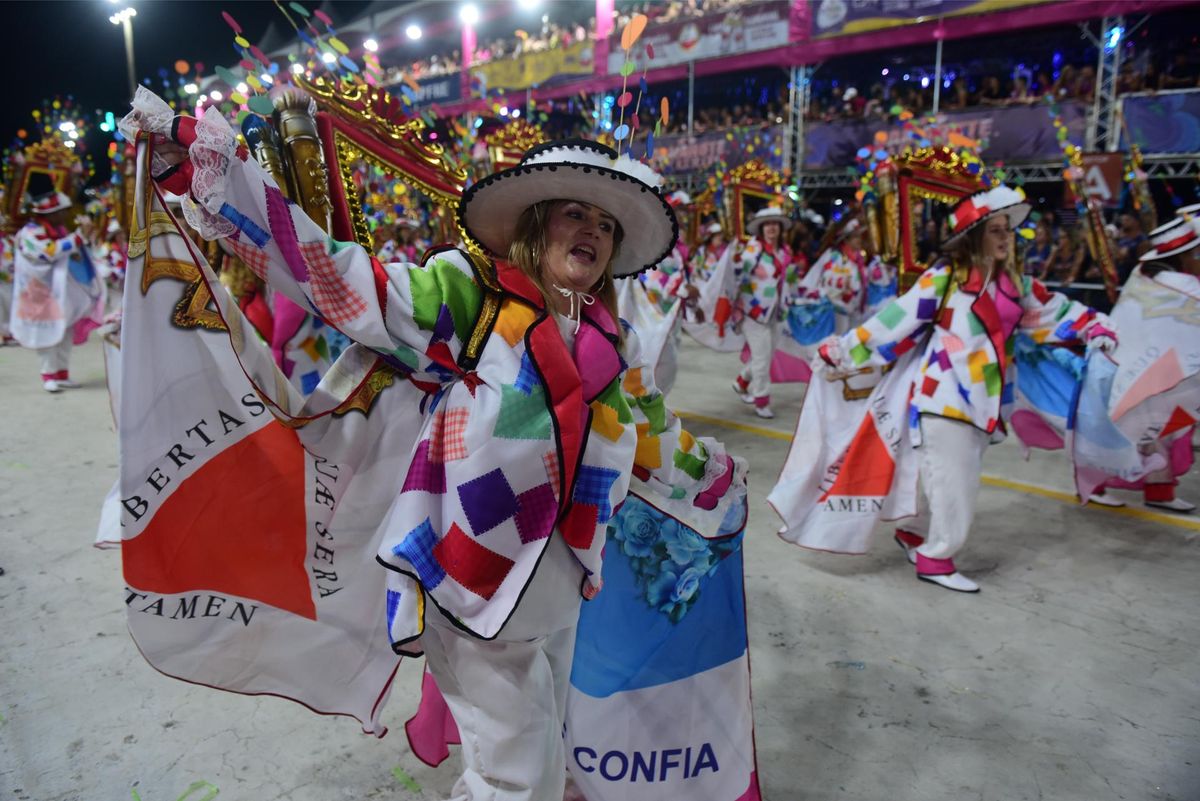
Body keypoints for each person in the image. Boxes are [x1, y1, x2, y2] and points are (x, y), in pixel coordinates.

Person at [134, 94, 747, 801]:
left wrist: (716, 477)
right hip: (473, 577)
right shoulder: (474, 293)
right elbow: (343, 280)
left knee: (544, 738)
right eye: (574, 212)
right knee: (513, 774)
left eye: (606, 223)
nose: (593, 230)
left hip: (562, 581)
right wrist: (214, 175)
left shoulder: (613, 339)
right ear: (535, 223)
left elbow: (651, 438)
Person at [816, 186, 1116, 592]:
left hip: (985, 402)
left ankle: (913, 533)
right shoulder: (945, 279)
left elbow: (1053, 310)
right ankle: (935, 557)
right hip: (944, 396)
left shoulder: (1012, 284)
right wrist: (843, 351)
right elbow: (895, 319)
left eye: (1006, 230)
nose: (1005, 237)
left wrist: (1095, 325)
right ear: (974, 237)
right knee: (954, 485)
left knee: (948, 478)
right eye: (995, 230)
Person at [1089, 214, 1199, 513]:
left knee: (1159, 433)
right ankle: (1091, 484)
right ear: (1181, 257)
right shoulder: (1179, 285)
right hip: (1146, 372)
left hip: (1159, 373)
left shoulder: (1145, 276)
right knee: (1130, 431)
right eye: (1195, 253)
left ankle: (1160, 491)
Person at [9, 191, 104, 392]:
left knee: (64, 332)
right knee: (47, 334)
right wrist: (77, 239)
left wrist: (83, 240)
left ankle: (62, 373)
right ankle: (48, 375)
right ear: (50, 213)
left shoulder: (59, 230)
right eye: (62, 211)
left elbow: (71, 254)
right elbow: (47, 253)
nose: (66, 215)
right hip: (39, 294)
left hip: (60, 293)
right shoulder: (30, 233)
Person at [731, 206, 793, 418]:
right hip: (752, 311)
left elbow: (785, 280)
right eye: (767, 224)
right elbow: (738, 270)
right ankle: (761, 400)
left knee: (764, 355)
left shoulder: (784, 251)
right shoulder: (754, 249)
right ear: (761, 228)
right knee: (762, 358)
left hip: (775, 311)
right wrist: (735, 260)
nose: (771, 228)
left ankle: (741, 382)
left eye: (775, 223)